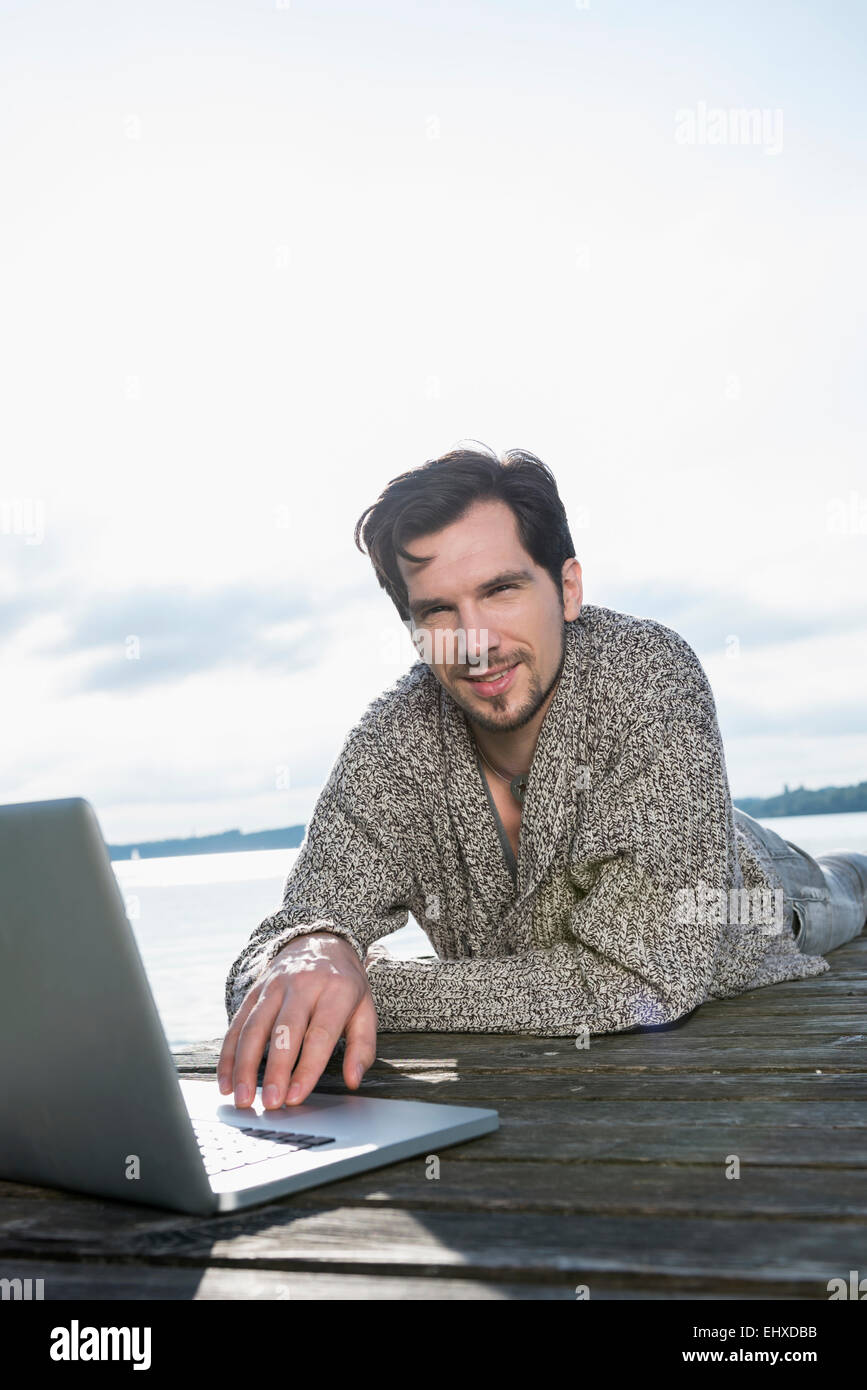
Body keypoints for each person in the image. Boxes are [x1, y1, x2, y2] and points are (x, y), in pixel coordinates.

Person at [220, 444, 867, 1112]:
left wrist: (367, 988)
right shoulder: (391, 744)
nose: (474, 642)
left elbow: (644, 978)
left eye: (500, 590)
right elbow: (267, 963)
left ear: (566, 588)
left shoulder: (647, 674)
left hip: (761, 894)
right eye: (438, 610)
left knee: (850, 885)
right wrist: (313, 948)